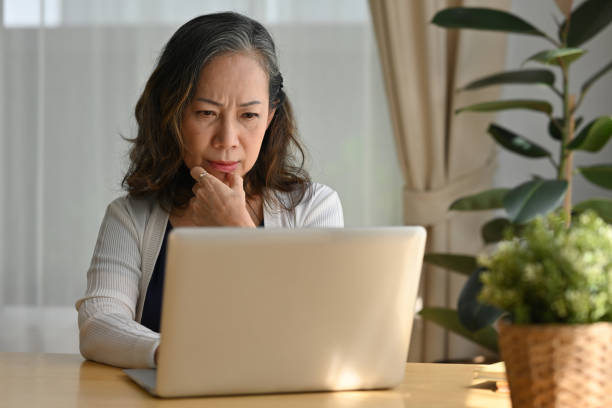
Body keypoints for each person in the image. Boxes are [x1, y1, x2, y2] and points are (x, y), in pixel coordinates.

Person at [75, 12, 343, 368]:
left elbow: (317, 332)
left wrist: (240, 233)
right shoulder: (131, 216)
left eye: (248, 116)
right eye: (206, 113)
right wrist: (178, 356)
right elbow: (97, 325)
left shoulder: (314, 208)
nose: (227, 141)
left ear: (271, 116)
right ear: (172, 114)